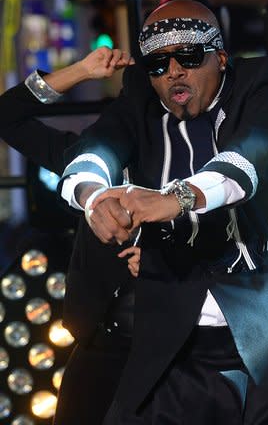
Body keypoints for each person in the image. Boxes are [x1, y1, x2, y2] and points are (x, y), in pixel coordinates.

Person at [57, 0, 268, 424]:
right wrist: (94, 200)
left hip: (264, 322)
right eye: (159, 65)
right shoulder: (142, 103)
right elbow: (94, 151)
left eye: (188, 56)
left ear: (220, 57)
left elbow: (249, 159)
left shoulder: (263, 82)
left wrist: (177, 198)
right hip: (174, 331)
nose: (174, 72)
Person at [0, 47, 141, 424]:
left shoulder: (205, 169)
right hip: (102, 345)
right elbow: (6, 115)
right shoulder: (86, 159)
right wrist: (80, 71)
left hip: (186, 349)